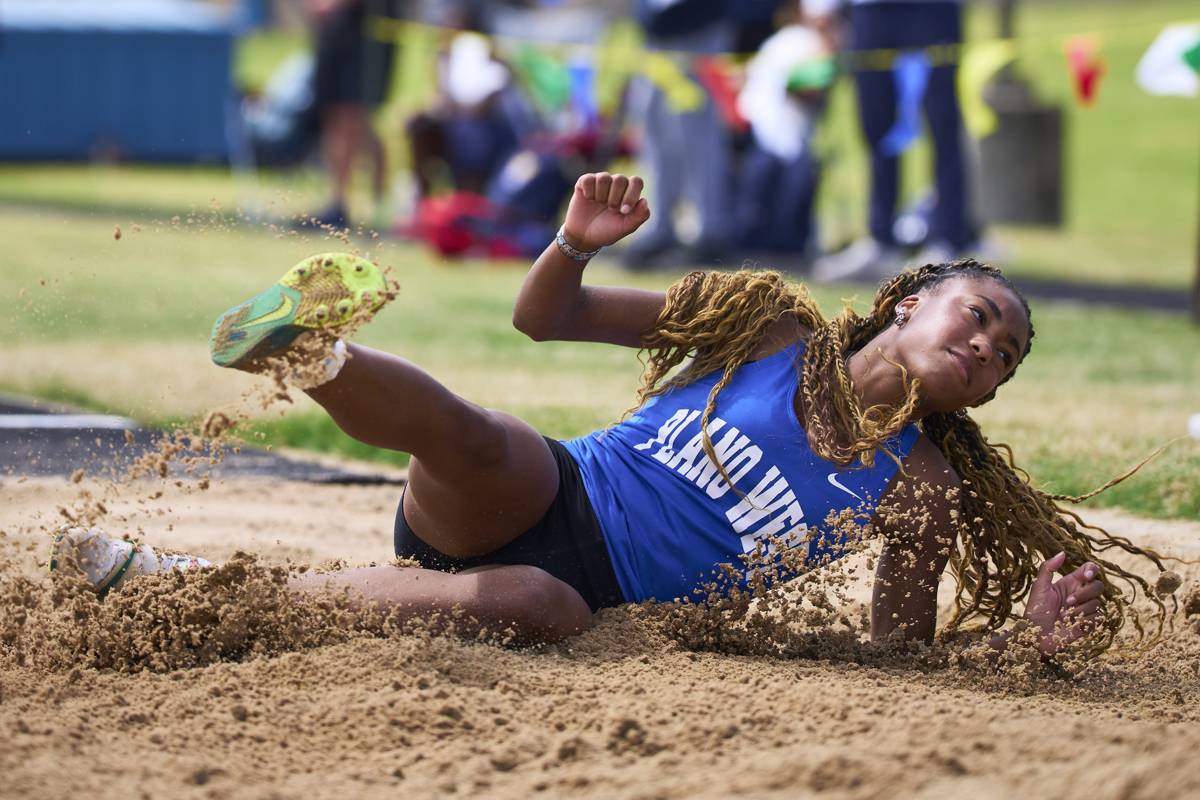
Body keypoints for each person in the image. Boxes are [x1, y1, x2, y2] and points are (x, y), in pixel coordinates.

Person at [54, 173, 1171, 661]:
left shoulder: (920, 488)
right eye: (980, 317)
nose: (987, 349)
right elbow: (543, 316)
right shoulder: (768, 328)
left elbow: (892, 649)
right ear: (913, 299)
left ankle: (167, 573)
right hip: (551, 488)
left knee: (547, 604)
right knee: (481, 436)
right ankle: (310, 346)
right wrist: (576, 243)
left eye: (1006, 358)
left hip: (592, 594)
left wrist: (1034, 648)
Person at [804, 0, 977, 283]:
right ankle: (880, 238)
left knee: (942, 123)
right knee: (875, 124)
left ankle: (948, 240)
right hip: (870, 9)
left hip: (933, 9)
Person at [302, 0, 400, 231]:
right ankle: (337, 201)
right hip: (335, 29)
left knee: (354, 117)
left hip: (367, 31)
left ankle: (367, 200)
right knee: (334, 117)